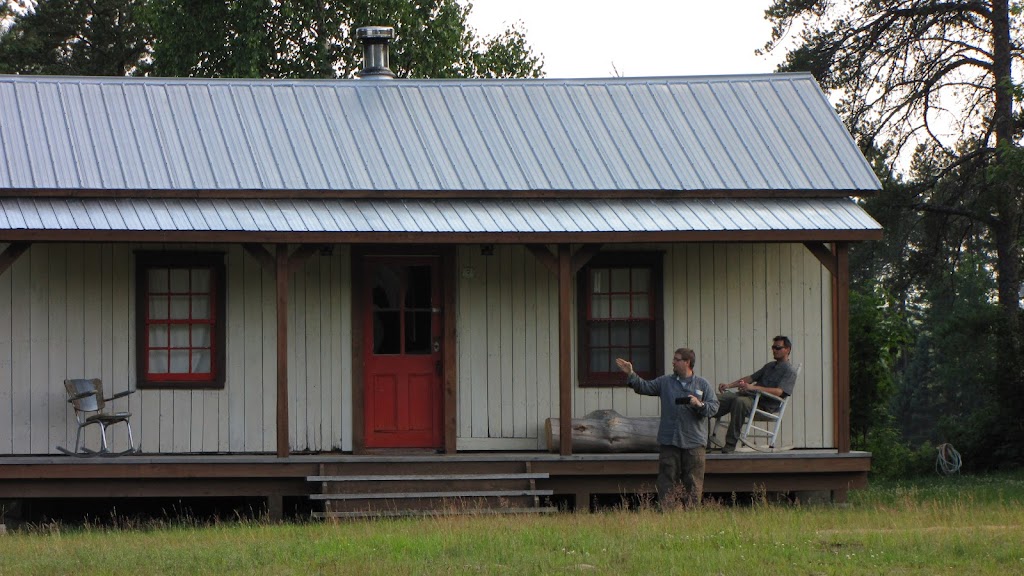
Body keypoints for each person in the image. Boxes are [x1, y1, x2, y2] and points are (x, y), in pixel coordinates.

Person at [615, 348, 718, 508]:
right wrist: (631, 374)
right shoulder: (665, 382)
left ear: (687, 362)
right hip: (670, 440)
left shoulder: (702, 384)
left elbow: (714, 407)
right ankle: (667, 514)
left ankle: (692, 516)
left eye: (677, 359)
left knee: (693, 483)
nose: (673, 362)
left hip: (694, 442)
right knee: (666, 480)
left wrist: (700, 405)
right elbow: (644, 387)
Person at [713, 335, 798, 453]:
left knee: (739, 402)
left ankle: (730, 444)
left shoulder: (790, 371)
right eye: (773, 347)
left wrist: (754, 388)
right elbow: (750, 378)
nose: (774, 350)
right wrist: (729, 385)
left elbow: (779, 392)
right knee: (715, 399)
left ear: (787, 349)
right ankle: (701, 438)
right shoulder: (769, 366)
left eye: (778, 348)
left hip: (763, 406)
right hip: (749, 397)